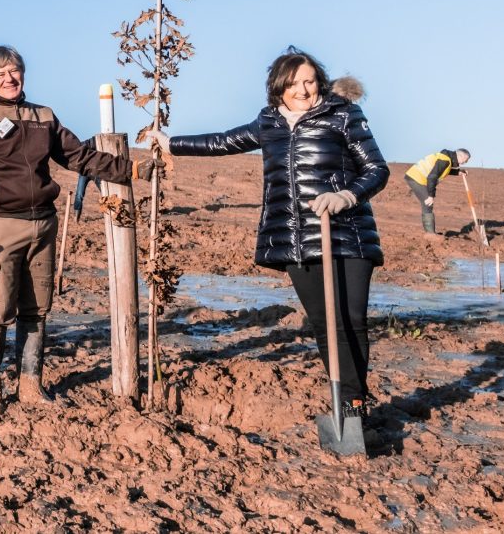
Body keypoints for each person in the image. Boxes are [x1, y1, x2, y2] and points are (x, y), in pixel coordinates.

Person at [149, 47, 389, 419]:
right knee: (325, 324)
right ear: (279, 87)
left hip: (347, 233)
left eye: (309, 81)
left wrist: (347, 195)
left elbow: (376, 169)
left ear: (319, 81)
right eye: (294, 84)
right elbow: (223, 141)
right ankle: (344, 400)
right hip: (295, 238)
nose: (303, 90)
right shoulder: (269, 122)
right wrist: (171, 143)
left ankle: (355, 403)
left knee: (350, 319)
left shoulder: (343, 115)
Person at [0, 45, 157, 414]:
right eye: (1, 75)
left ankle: (30, 385)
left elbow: (78, 156)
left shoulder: (44, 116)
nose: (9, 79)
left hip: (44, 222)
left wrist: (130, 170)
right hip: (2, 223)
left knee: (37, 310)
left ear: (22, 74)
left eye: (14, 71)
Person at [404, 148, 470, 234]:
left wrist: (458, 172)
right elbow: (432, 177)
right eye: (466, 160)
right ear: (460, 156)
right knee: (428, 203)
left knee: (427, 203)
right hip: (416, 178)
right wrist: (431, 196)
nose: (465, 162)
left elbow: (443, 170)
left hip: (415, 177)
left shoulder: (446, 158)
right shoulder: (445, 160)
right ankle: (430, 234)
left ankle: (430, 233)